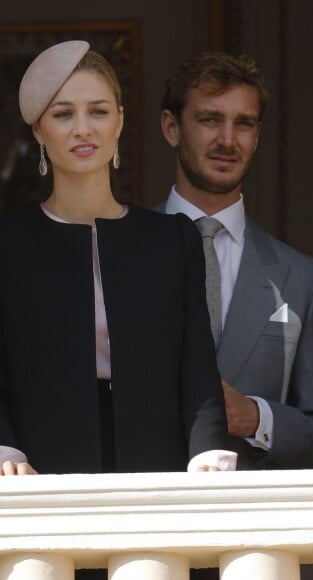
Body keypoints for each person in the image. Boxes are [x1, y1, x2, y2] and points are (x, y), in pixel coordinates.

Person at [0, 40, 231, 482]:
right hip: (35, 473)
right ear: (38, 130)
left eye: (99, 111)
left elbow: (197, 367)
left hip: (158, 469)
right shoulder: (9, 242)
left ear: (120, 121)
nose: (83, 128)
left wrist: (209, 450)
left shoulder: (172, 238)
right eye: (63, 113)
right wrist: (4, 448)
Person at [158, 52, 313, 473]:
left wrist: (257, 417)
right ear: (172, 128)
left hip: (255, 527)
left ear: (258, 136)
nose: (228, 139)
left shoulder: (303, 277)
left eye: (244, 123)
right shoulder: (115, 252)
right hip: (136, 518)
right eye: (209, 120)